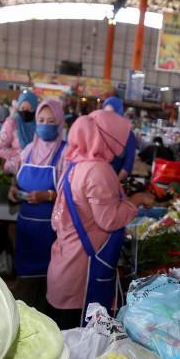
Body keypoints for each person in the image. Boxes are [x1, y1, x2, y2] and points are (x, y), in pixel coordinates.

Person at [48, 109, 154, 328]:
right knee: (78, 344)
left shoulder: (75, 164)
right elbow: (109, 220)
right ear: (104, 137)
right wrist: (135, 200)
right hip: (83, 274)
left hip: (64, 264)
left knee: (62, 338)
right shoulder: (98, 170)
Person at [9, 97, 69, 307]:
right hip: (26, 226)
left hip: (51, 231)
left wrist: (48, 196)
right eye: (41, 120)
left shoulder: (65, 154)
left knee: (46, 287)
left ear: (60, 123)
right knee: (25, 286)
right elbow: (16, 178)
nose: (44, 125)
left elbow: (70, 194)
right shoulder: (28, 151)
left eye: (51, 121)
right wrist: (14, 191)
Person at [0, 90, 39, 174]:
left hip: (33, 172)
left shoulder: (40, 126)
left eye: (30, 109)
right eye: (22, 108)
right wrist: (20, 153)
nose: (26, 112)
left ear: (36, 109)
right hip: (13, 172)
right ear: (18, 108)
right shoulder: (11, 124)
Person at [102, 96, 137, 181]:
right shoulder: (99, 130)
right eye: (105, 113)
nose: (108, 117)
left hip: (116, 179)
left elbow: (128, 165)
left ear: (119, 113)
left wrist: (116, 185)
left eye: (112, 113)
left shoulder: (128, 135)